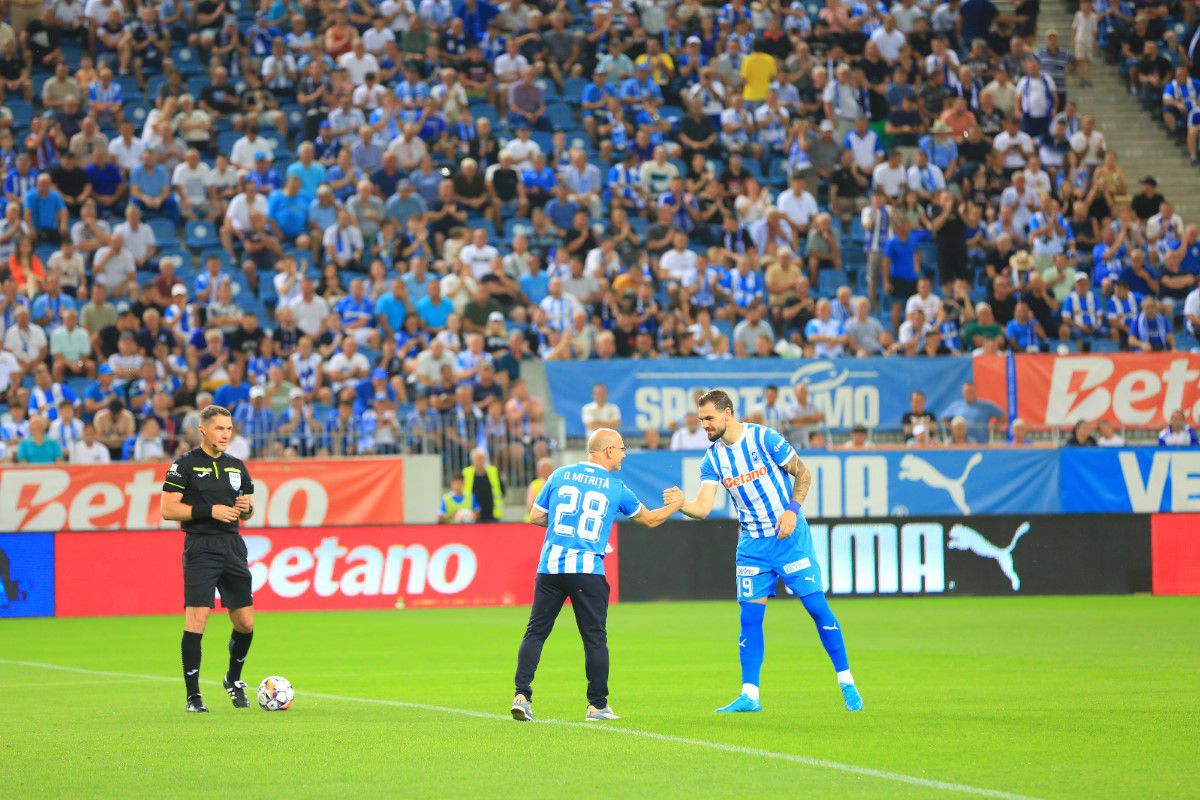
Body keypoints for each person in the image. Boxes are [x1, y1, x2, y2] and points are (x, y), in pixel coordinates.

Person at [662, 390, 863, 714]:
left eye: (709, 418)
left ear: (727, 413)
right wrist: (679, 503)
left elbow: (804, 473)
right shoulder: (712, 458)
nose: (705, 425)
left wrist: (792, 510)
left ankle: (846, 681)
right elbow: (701, 508)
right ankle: (750, 694)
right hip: (752, 546)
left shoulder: (764, 439)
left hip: (789, 538)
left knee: (817, 609)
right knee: (750, 619)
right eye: (701, 420)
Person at [511, 427, 681, 722]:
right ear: (608, 451)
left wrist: (567, 525)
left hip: (550, 567)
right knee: (594, 639)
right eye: (622, 449)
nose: (624, 455)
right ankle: (597, 705)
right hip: (587, 570)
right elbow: (651, 520)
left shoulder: (560, 474)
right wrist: (675, 505)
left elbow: (536, 516)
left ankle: (522, 696)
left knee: (535, 632)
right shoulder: (615, 487)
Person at [158, 405, 257, 714]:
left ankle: (233, 679)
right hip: (200, 547)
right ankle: (194, 696)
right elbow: (168, 509)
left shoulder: (237, 466)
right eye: (219, 429)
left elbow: (250, 510)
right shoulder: (184, 465)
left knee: (245, 623)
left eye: (229, 429)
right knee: (197, 620)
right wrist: (209, 511)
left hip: (232, 546)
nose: (225, 434)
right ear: (203, 430)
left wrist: (246, 508)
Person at [462, 447, 504, 523]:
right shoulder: (466, 473)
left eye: (482, 459)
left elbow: (502, 489)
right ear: (473, 460)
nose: (480, 461)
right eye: (478, 459)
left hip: (492, 514)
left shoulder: (493, 471)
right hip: (473, 515)